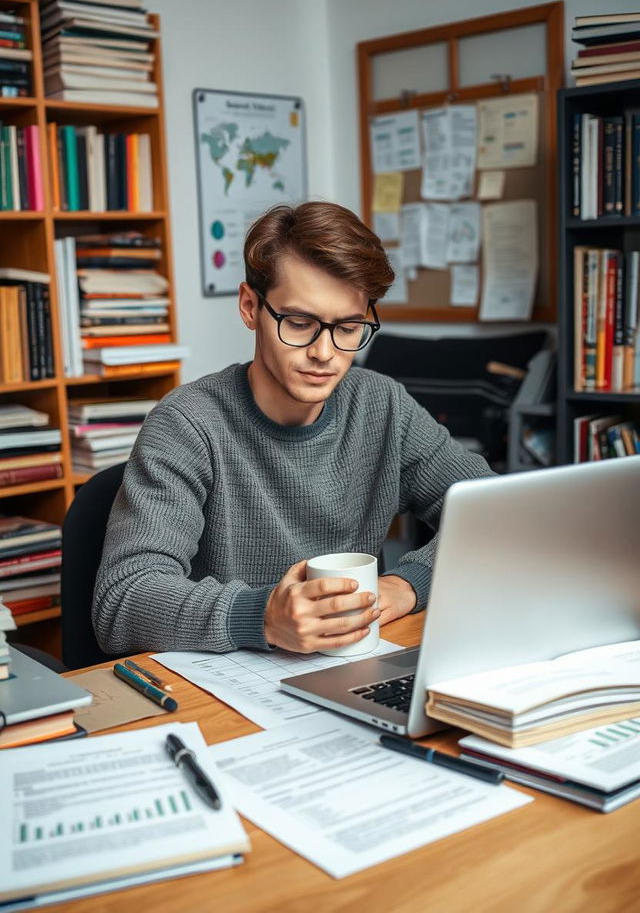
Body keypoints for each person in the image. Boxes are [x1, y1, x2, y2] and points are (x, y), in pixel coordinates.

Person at [93, 202, 491, 657]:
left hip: (354, 663)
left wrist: (407, 584)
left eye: (347, 327)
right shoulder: (187, 425)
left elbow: (495, 512)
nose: (325, 352)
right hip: (228, 690)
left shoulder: (381, 405)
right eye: (299, 323)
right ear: (250, 307)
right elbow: (122, 600)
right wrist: (260, 615)